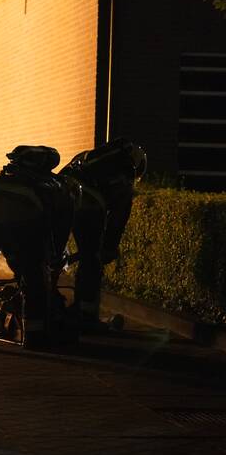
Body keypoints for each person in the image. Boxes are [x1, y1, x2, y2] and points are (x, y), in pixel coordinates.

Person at [0, 145, 78, 349]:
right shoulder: (57, 187)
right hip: (24, 221)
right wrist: (55, 257)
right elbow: (58, 230)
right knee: (33, 276)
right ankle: (34, 335)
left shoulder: (2, 180)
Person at [59, 138, 145, 333]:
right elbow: (119, 215)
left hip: (62, 198)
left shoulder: (85, 159)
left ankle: (47, 304)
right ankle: (87, 316)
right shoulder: (125, 172)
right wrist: (109, 247)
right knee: (92, 260)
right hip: (88, 204)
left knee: (54, 254)